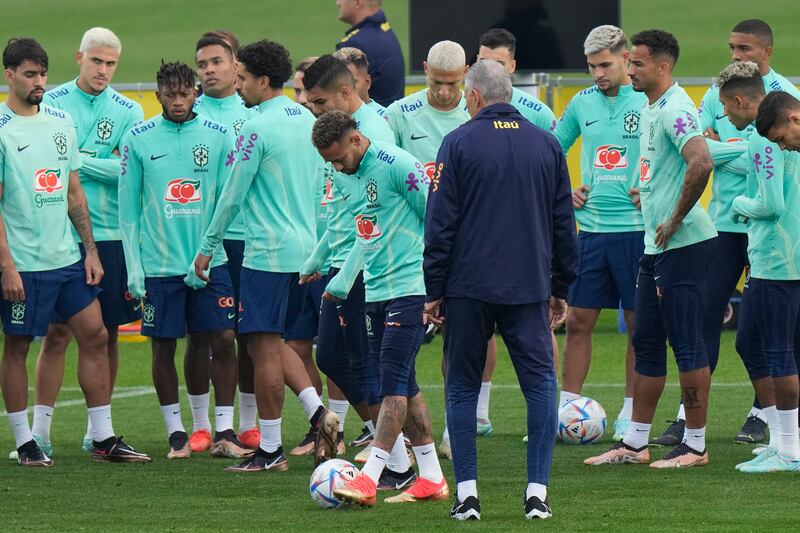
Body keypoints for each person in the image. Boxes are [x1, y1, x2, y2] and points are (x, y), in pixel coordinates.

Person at [424, 60, 577, 521]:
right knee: (540, 385)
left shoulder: (457, 143)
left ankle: (467, 494)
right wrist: (561, 285)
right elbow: (563, 226)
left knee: (463, 386)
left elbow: (440, 225)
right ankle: (537, 495)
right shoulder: (547, 145)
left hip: (468, 288)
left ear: (472, 96)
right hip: (529, 287)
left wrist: (434, 289)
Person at [0, 37, 150, 466]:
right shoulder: (2, 130)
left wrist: (89, 251)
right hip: (24, 263)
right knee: (18, 344)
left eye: (42, 74)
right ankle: (27, 440)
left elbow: (73, 192)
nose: (38, 82)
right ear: (9, 75)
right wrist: (6, 264)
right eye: (29, 74)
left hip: (67, 258)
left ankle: (101, 437)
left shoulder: (60, 122)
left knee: (97, 333)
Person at [193, 39, 339, 472]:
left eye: (241, 78)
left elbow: (231, 195)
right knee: (279, 341)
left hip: (265, 253)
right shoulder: (306, 118)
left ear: (261, 79)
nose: (237, 88)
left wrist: (207, 247)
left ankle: (270, 449)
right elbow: (320, 188)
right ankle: (318, 413)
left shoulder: (253, 127)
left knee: (261, 348)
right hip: (304, 252)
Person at [654, 18, 800, 447]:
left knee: (771, 328)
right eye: (733, 47)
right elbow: (698, 144)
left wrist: (722, 149)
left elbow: (741, 153)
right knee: (705, 317)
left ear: (766, 53)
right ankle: (688, 414)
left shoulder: (784, 103)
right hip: (723, 226)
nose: (736, 55)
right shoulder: (719, 92)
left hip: (769, 233)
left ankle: (764, 414)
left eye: (745, 49)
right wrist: (716, 145)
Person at [585, 29, 718, 468]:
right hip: (655, 246)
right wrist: (651, 192)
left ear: (662, 66)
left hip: (684, 245)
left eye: (637, 62)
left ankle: (695, 446)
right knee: (645, 342)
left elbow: (701, 160)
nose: (631, 69)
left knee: (687, 344)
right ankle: (635, 443)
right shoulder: (651, 106)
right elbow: (670, 165)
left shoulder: (676, 108)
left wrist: (676, 215)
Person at [309, 110, 448, 507]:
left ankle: (370, 479)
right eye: (329, 163)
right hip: (376, 288)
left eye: (339, 158)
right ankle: (432, 479)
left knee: (390, 383)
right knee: (405, 384)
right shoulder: (345, 175)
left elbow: (436, 218)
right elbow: (364, 235)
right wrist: (341, 277)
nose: (336, 167)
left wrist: (440, 282)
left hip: (410, 288)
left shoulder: (397, 165)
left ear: (356, 140)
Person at [300, 54, 416, 490]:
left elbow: (379, 219)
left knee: (367, 366)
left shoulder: (374, 135)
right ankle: (395, 451)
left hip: (372, 270)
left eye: (319, 100)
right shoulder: (335, 137)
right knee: (336, 357)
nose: (313, 109)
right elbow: (344, 213)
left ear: (345, 94)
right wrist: (318, 257)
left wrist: (347, 273)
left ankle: (394, 458)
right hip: (343, 262)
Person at [118, 61, 245, 460]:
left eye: (184, 93)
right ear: (157, 95)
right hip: (159, 265)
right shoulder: (137, 139)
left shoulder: (220, 135)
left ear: (195, 93)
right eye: (169, 95)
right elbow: (128, 209)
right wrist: (133, 266)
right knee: (163, 346)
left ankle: (223, 430)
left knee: (221, 339)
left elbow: (227, 201)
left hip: (210, 262)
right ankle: (178, 432)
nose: (177, 101)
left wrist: (207, 252)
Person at [552, 25, 646, 441]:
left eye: (605, 65)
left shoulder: (648, 99)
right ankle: (566, 408)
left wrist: (652, 184)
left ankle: (629, 412)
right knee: (578, 321)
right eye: (591, 67)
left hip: (635, 230)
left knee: (636, 322)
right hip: (589, 231)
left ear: (626, 58)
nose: (598, 74)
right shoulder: (581, 102)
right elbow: (552, 150)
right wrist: (564, 189)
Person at [713, 63, 798, 472]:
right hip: (786, 263)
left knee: (771, 351)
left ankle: (788, 448)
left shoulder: (766, 142)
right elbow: (735, 154)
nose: (782, 145)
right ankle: (784, 442)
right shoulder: (774, 141)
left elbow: (771, 206)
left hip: (775, 265)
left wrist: (737, 206)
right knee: (772, 349)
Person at [188, 33, 260, 452]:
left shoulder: (250, 110)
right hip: (203, 240)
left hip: (247, 238)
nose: (209, 69)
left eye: (217, 61)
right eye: (203, 63)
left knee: (248, 335)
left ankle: (247, 425)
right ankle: (203, 427)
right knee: (204, 335)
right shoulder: (186, 112)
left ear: (236, 66)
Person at [290, 55, 354, 457]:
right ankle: (323, 424)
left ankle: (342, 429)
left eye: (312, 98)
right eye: (299, 93)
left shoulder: (362, 132)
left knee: (337, 352)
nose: (305, 104)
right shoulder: (303, 131)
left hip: (341, 257)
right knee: (296, 345)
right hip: (307, 254)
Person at [476, 28, 556, 132]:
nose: (490, 71)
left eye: (499, 64)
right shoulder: (460, 105)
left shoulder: (539, 113)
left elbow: (556, 147)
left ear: (512, 66)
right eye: (484, 62)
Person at [335, 0, 404, 106]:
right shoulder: (385, 31)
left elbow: (343, 100)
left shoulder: (355, 43)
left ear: (357, 3)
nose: (338, 3)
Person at [333, 47, 386, 118]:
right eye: (337, 84)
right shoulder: (327, 119)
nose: (343, 91)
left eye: (351, 83)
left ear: (367, 83)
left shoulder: (387, 119)